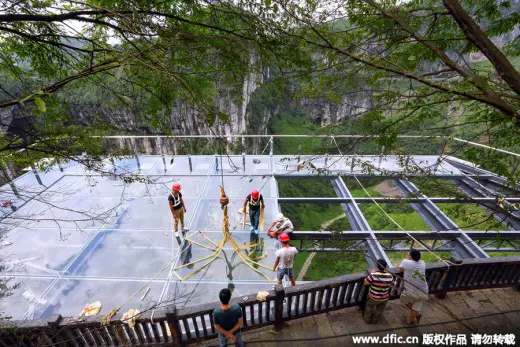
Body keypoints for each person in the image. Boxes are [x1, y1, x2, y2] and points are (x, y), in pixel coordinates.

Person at [400, 249, 429, 325]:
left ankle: (416, 315)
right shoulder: (422, 263)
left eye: (408, 254)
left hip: (411, 292)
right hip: (424, 291)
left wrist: (406, 259)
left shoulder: (406, 262)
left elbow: (400, 269)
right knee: (417, 306)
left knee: (403, 299)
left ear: (410, 256)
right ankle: (411, 318)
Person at [363, 259, 394, 324]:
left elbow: (365, 283)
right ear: (385, 267)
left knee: (369, 306)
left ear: (377, 266)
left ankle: (367, 319)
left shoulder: (373, 275)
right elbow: (392, 285)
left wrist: (371, 273)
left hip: (373, 297)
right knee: (379, 310)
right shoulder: (390, 276)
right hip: (384, 298)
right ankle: (375, 320)